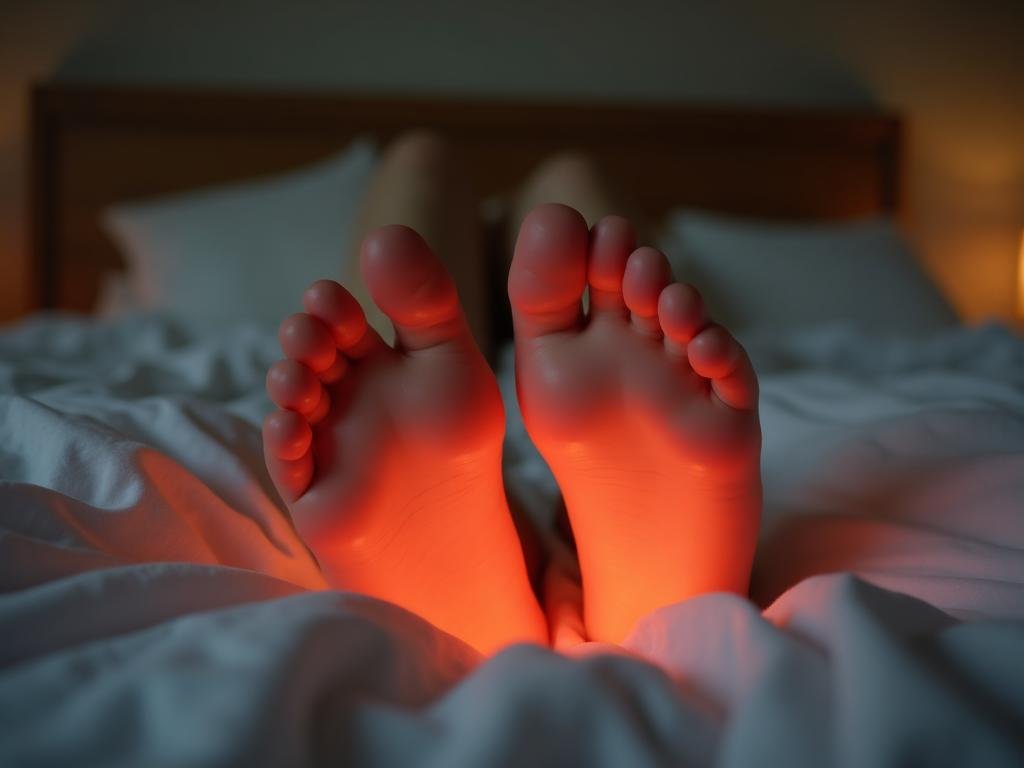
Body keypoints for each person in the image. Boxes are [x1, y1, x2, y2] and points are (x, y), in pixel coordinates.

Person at [261, 133, 761, 654]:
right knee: (575, 185)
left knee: (422, 158)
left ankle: (503, 556)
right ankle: (632, 581)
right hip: (600, 344)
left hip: (463, 377)